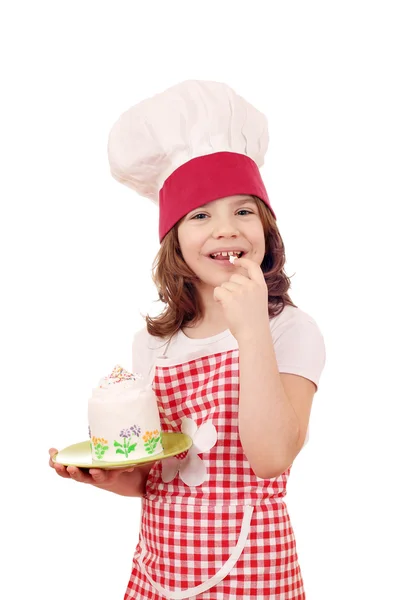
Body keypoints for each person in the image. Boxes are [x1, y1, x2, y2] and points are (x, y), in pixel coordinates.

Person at [49, 80, 326, 599]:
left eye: (244, 210)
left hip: (253, 571)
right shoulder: (153, 344)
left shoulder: (290, 329)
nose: (226, 229)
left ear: (267, 228)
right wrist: (111, 477)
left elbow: (271, 459)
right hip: (160, 574)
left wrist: (251, 331)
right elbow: (166, 475)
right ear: (173, 239)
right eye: (201, 214)